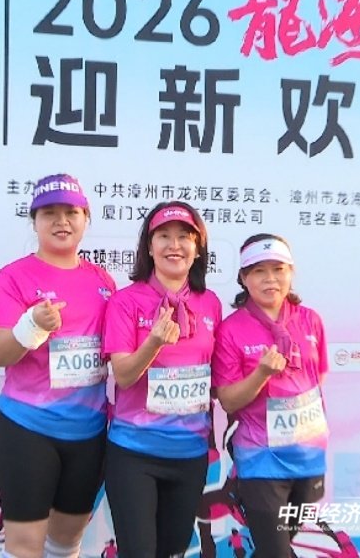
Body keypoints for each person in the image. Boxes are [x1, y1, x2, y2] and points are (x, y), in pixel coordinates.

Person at [0, 173, 116, 558]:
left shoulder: (103, 280)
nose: (62, 221)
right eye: (49, 213)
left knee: (65, 543)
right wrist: (32, 326)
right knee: (25, 546)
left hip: (89, 431)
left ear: (86, 219)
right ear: (34, 221)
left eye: (71, 212)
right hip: (28, 428)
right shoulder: (13, 277)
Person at [102, 201, 223, 558]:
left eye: (184, 237)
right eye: (164, 236)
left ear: (198, 248)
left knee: (172, 551)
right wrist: (153, 342)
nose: (174, 245)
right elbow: (124, 376)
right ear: (149, 247)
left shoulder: (210, 303)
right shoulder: (125, 302)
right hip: (134, 452)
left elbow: (215, 376)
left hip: (190, 454)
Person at [212, 234, 329, 558]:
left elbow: (317, 379)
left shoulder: (311, 320)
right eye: (259, 271)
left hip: (308, 456)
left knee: (275, 547)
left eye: (278, 269)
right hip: (260, 459)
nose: (270, 279)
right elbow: (228, 400)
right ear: (244, 278)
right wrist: (261, 374)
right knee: (275, 550)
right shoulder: (231, 329)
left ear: (291, 272)